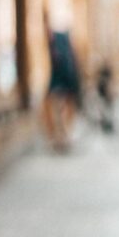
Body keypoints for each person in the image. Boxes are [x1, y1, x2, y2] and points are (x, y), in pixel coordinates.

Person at [41, 19, 82, 152]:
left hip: (60, 86)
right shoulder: (61, 44)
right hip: (63, 85)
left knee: (58, 113)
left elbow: (61, 68)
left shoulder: (57, 45)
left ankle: (62, 139)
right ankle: (62, 138)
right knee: (59, 113)